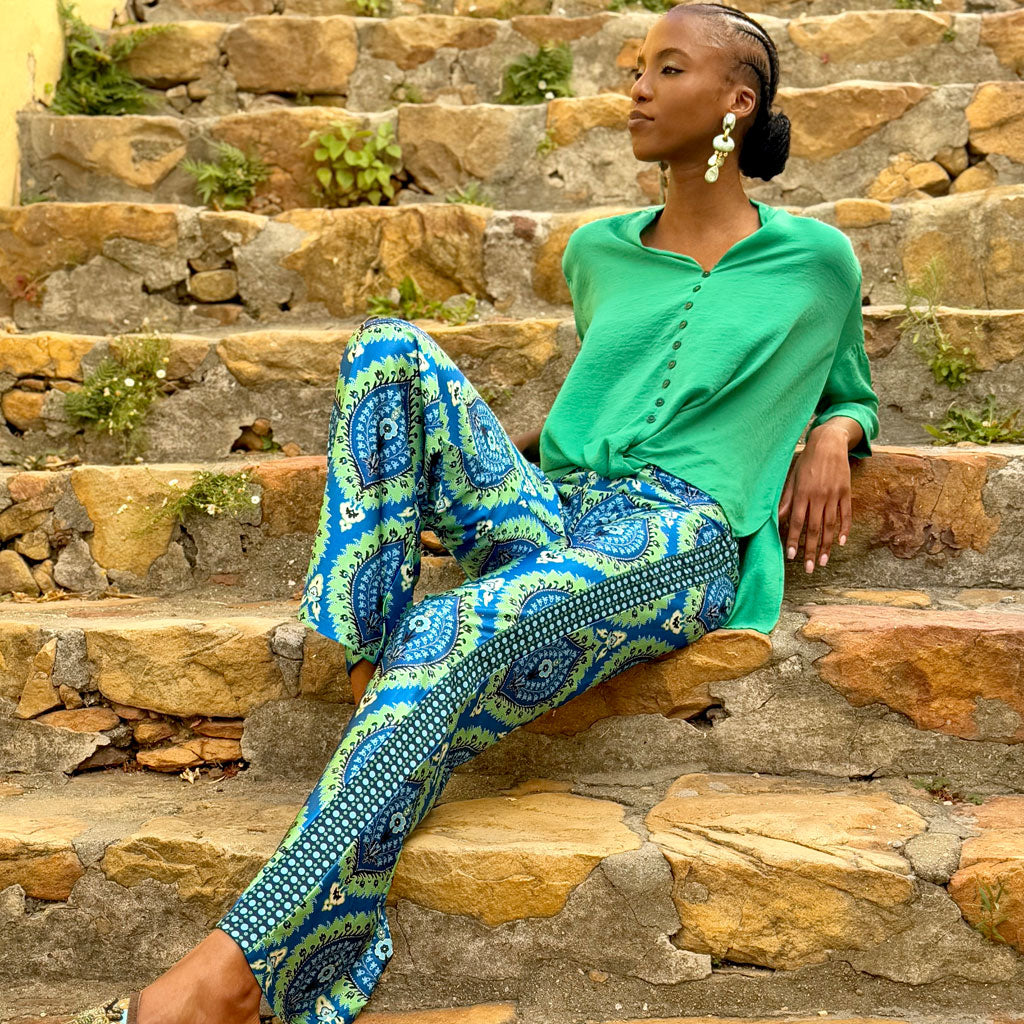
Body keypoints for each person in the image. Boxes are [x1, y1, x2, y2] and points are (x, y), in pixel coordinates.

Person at [69, 2, 878, 1023]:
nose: (634, 88)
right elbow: (606, 399)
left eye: (667, 69)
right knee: (386, 347)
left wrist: (831, 436)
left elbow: (849, 386)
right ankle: (373, 662)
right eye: (636, 67)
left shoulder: (816, 259)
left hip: (679, 537)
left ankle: (236, 974)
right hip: (562, 510)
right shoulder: (597, 252)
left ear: (738, 101)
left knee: (448, 628)